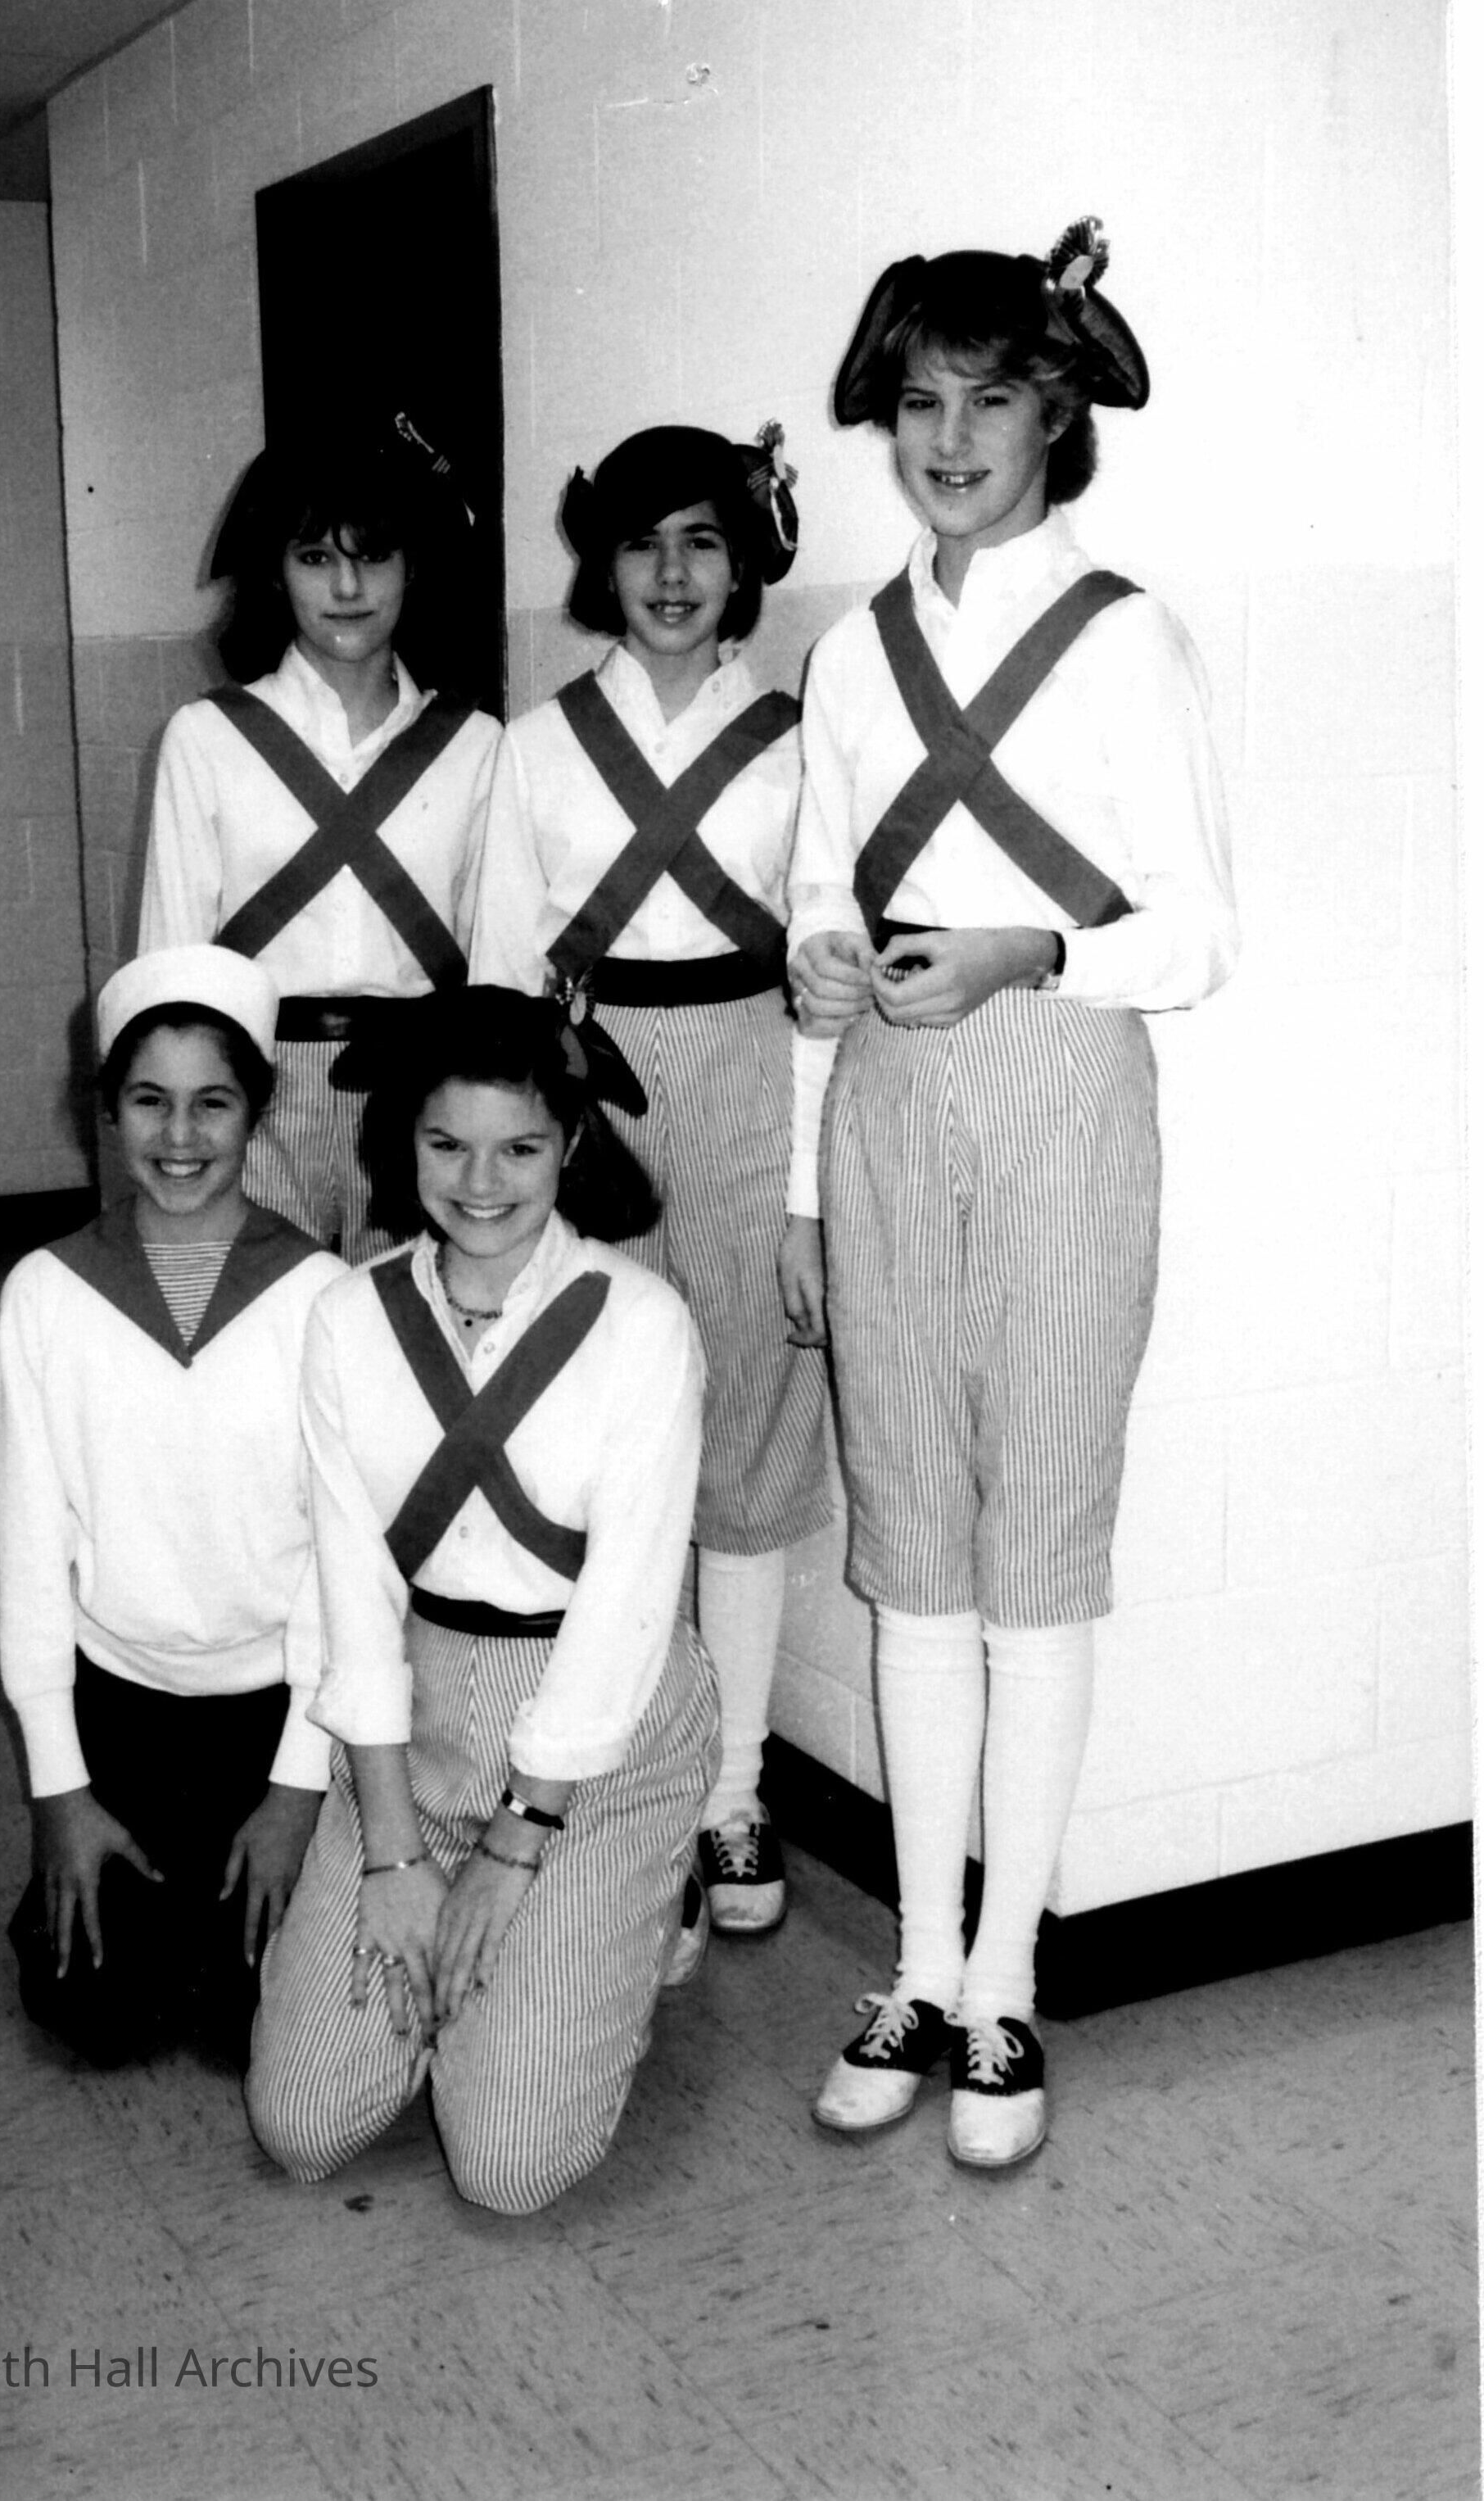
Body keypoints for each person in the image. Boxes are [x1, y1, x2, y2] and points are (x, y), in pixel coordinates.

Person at [786, 222, 1237, 2163]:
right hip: (883, 1110)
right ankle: (912, 1964)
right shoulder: (844, 650)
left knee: (1033, 1543)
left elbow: (1195, 936)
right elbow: (818, 895)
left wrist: (1024, 951)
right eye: (918, 401)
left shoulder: (1126, 635)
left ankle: (1003, 1992)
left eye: (989, 398)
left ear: (1055, 413)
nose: (949, 436)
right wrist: (820, 993)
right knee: (909, 1546)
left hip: (1061, 1093)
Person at [246, 987, 719, 2213]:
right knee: (300, 2124)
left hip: (594, 1741)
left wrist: (515, 1847)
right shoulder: (347, 1318)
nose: (480, 1182)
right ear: (403, 1141)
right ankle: (493, 1977)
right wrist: (394, 1850)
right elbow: (353, 1595)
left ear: (570, 1142)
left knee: (508, 2164)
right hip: (413, 1721)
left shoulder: (640, 1323)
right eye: (446, 1143)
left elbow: (625, 1610)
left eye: (518, 1147)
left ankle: (636, 1901)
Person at [469, 424, 829, 1953]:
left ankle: (729, 1788)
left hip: (751, 1068)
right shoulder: (534, 746)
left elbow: (824, 971)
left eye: (701, 541)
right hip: (589, 1082)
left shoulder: (802, 740)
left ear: (743, 564)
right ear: (600, 565)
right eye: (640, 542)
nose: (671, 573)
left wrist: (808, 1181)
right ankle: (611, 1770)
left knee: (748, 1434)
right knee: (593, 1428)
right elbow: (502, 962)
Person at [0, 945, 343, 2065]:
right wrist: (60, 1788)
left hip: (271, 1710)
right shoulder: (45, 1296)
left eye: (211, 1102)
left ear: (257, 1113)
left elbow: (342, 1567)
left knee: (253, 2031)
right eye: (148, 1100)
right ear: (105, 1110)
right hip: (120, 1705)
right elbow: (27, 1549)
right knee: (93, 2015)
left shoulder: (321, 1298)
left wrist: (296, 1792)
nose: (179, 1135)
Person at [138, 423, 502, 1256]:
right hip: (256, 1086)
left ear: (412, 567)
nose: (346, 586)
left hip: (418, 1090)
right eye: (314, 557)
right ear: (276, 573)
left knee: (407, 1319)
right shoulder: (207, 738)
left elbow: (493, 961)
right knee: (256, 1317)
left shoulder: (474, 744)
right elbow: (170, 961)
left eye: (373, 557)